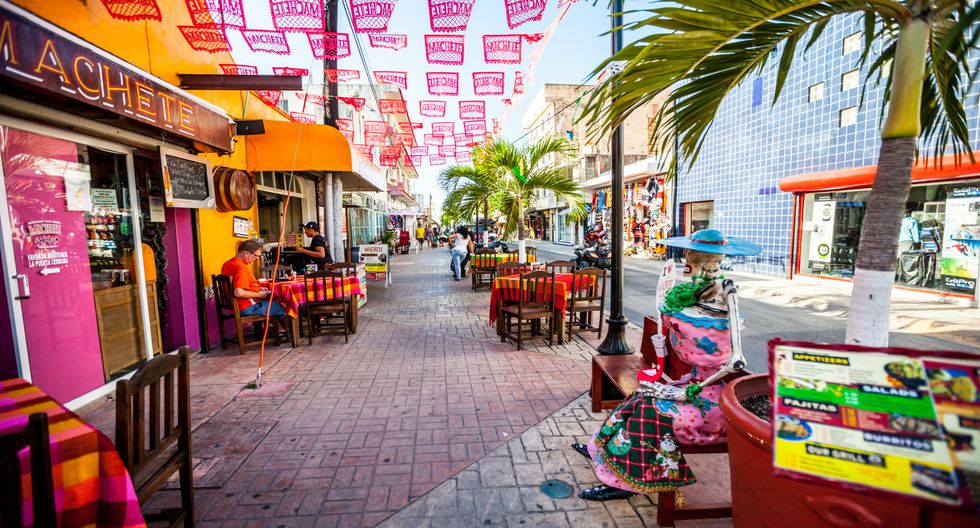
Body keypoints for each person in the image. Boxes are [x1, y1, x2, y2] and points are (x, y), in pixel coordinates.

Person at [221, 239, 289, 329]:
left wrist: (258, 289)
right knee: (281, 306)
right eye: (256, 256)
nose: (257, 258)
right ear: (246, 253)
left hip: (234, 307)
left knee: (272, 304)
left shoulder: (227, 264)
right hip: (246, 308)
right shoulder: (240, 267)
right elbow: (238, 292)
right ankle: (287, 334)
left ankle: (279, 332)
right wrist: (258, 294)